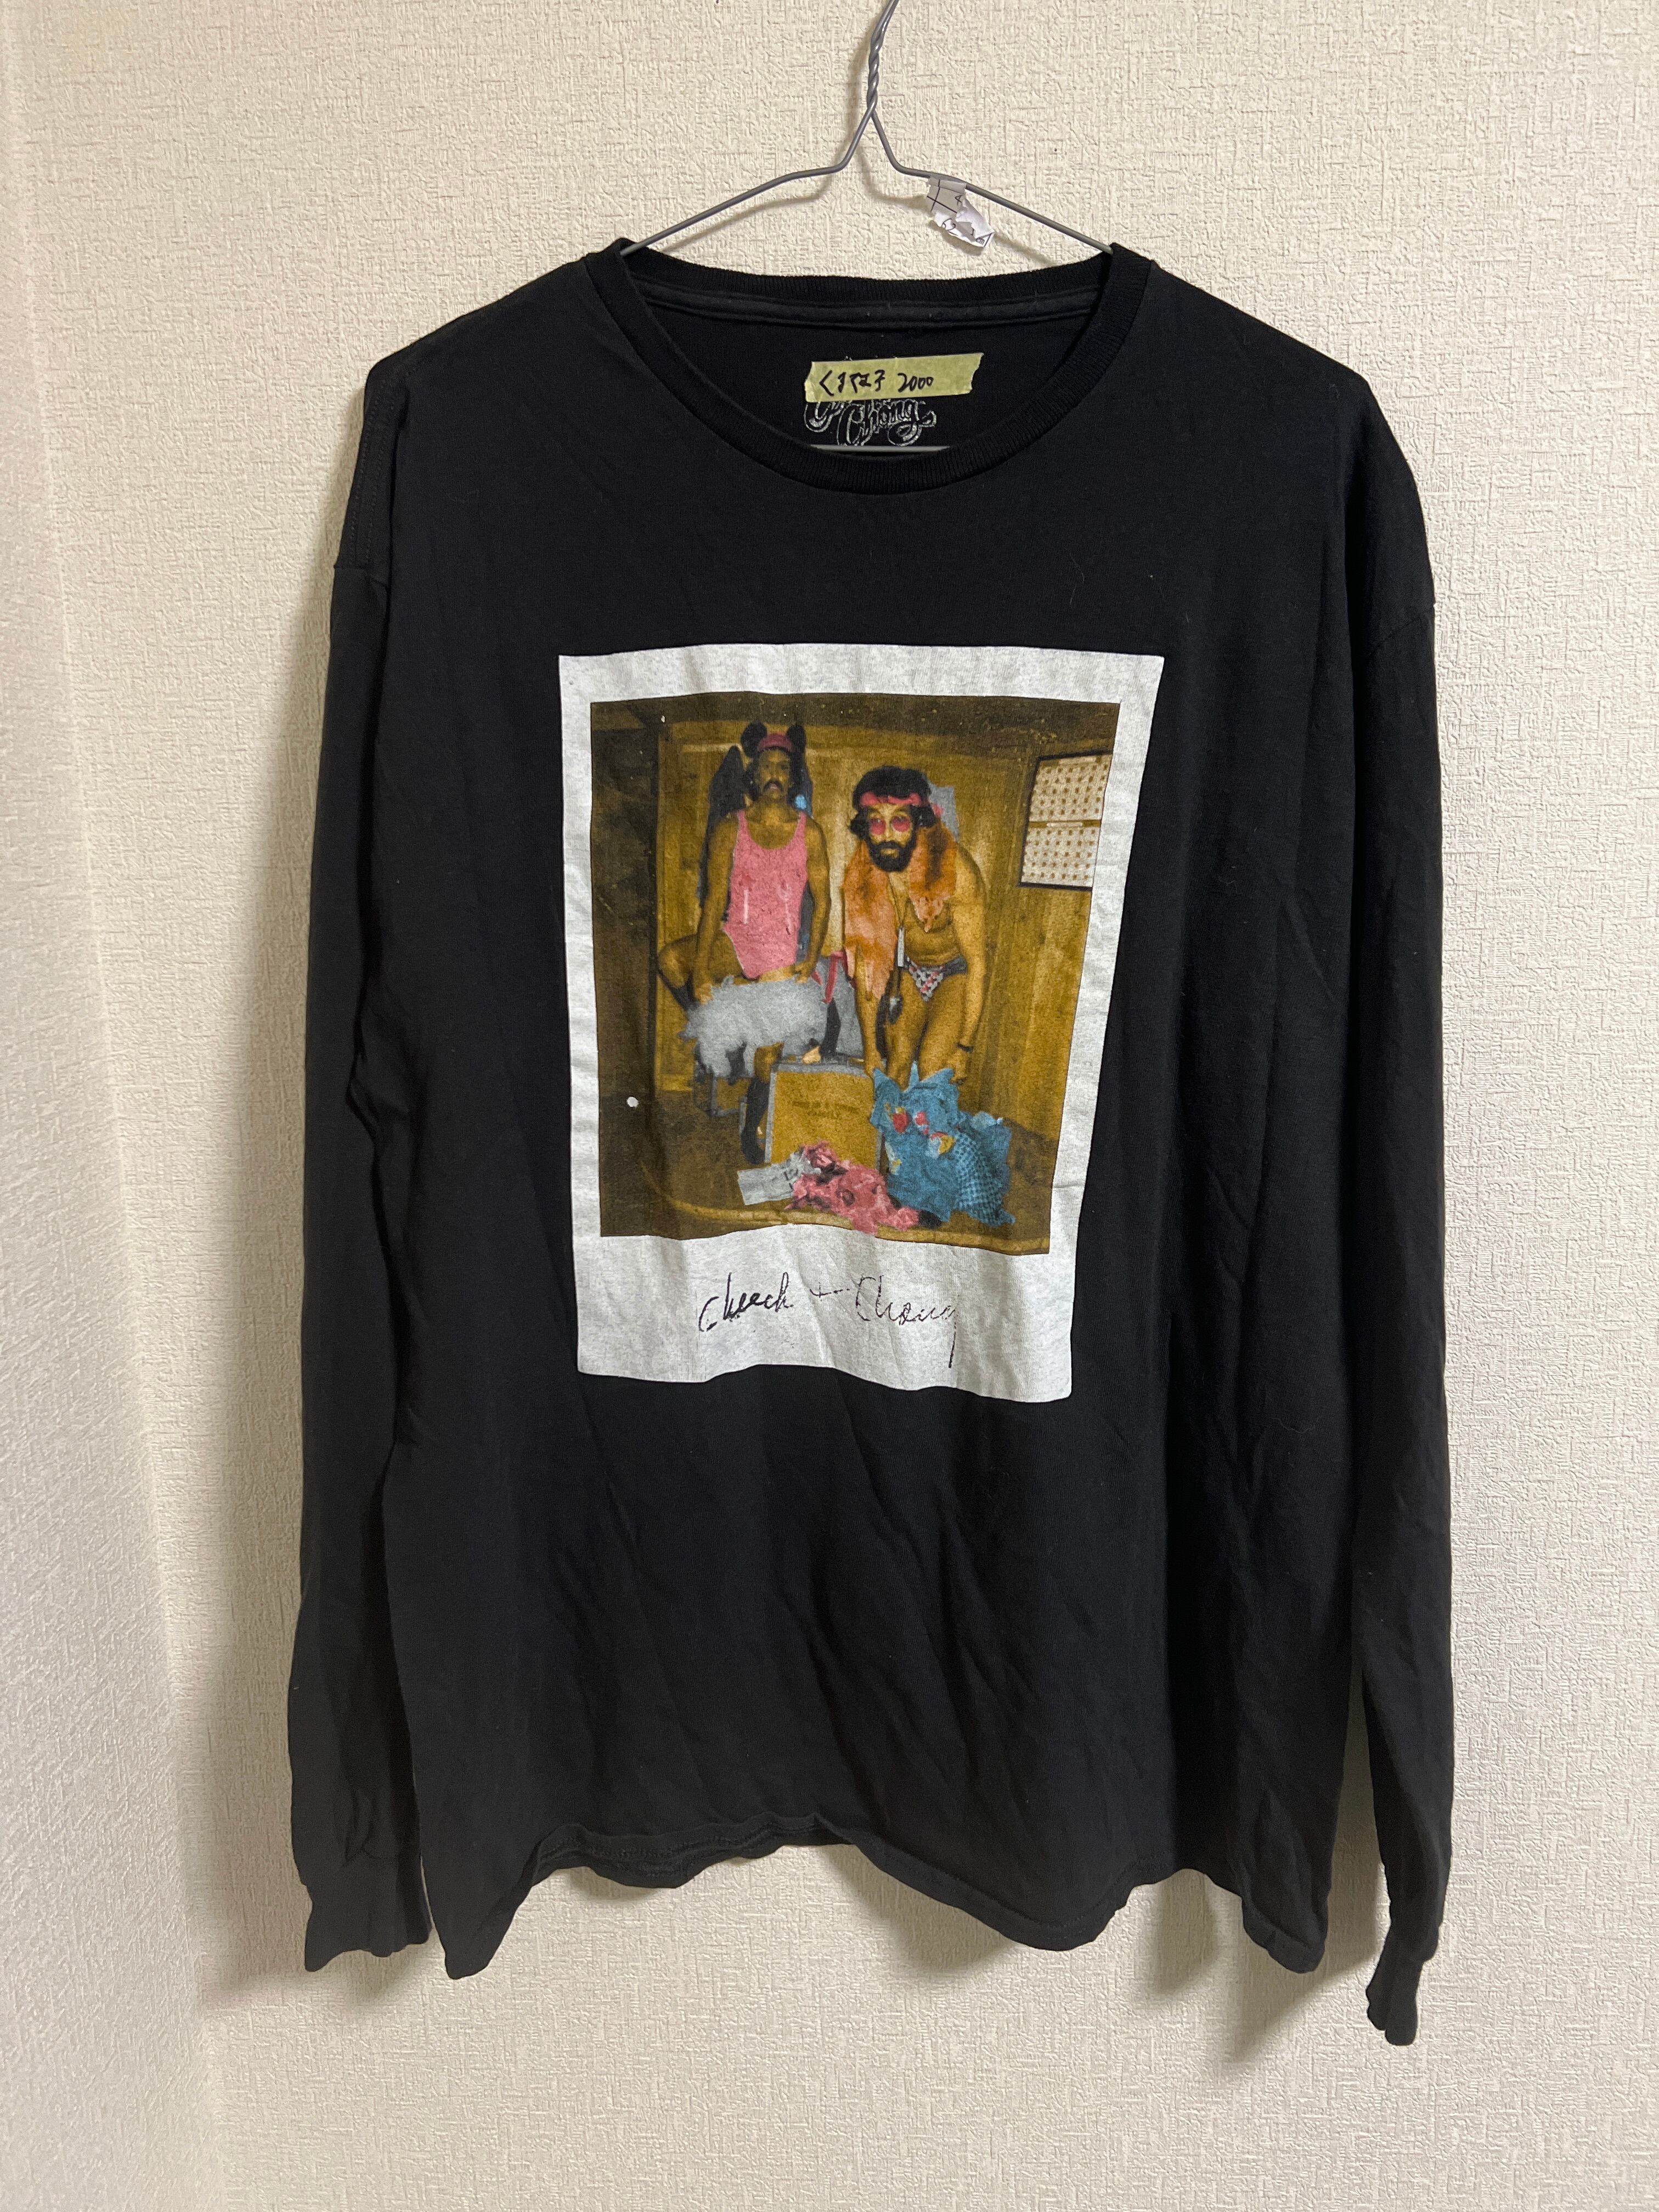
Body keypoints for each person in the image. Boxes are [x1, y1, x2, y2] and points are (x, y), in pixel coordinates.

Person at [658, 720, 831, 1162]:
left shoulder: (809, 831)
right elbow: (714, 901)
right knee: (671, 960)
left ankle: (754, 1131)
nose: (774, 774)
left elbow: (824, 900)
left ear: (793, 778)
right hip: (737, 940)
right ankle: (722, 1039)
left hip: (781, 952)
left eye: (783, 768)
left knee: (767, 1059)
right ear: (754, 775)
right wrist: (701, 971)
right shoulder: (730, 828)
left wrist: (811, 956)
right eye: (767, 766)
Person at [841, 765, 988, 1087]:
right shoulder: (864, 875)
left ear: (918, 822)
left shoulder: (956, 870)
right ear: (866, 827)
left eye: (899, 821)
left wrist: (964, 1048)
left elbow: (977, 965)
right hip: (909, 971)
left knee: (934, 1071)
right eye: (877, 822)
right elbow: (867, 967)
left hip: (954, 972)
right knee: (895, 1072)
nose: (887, 835)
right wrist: (870, 1050)